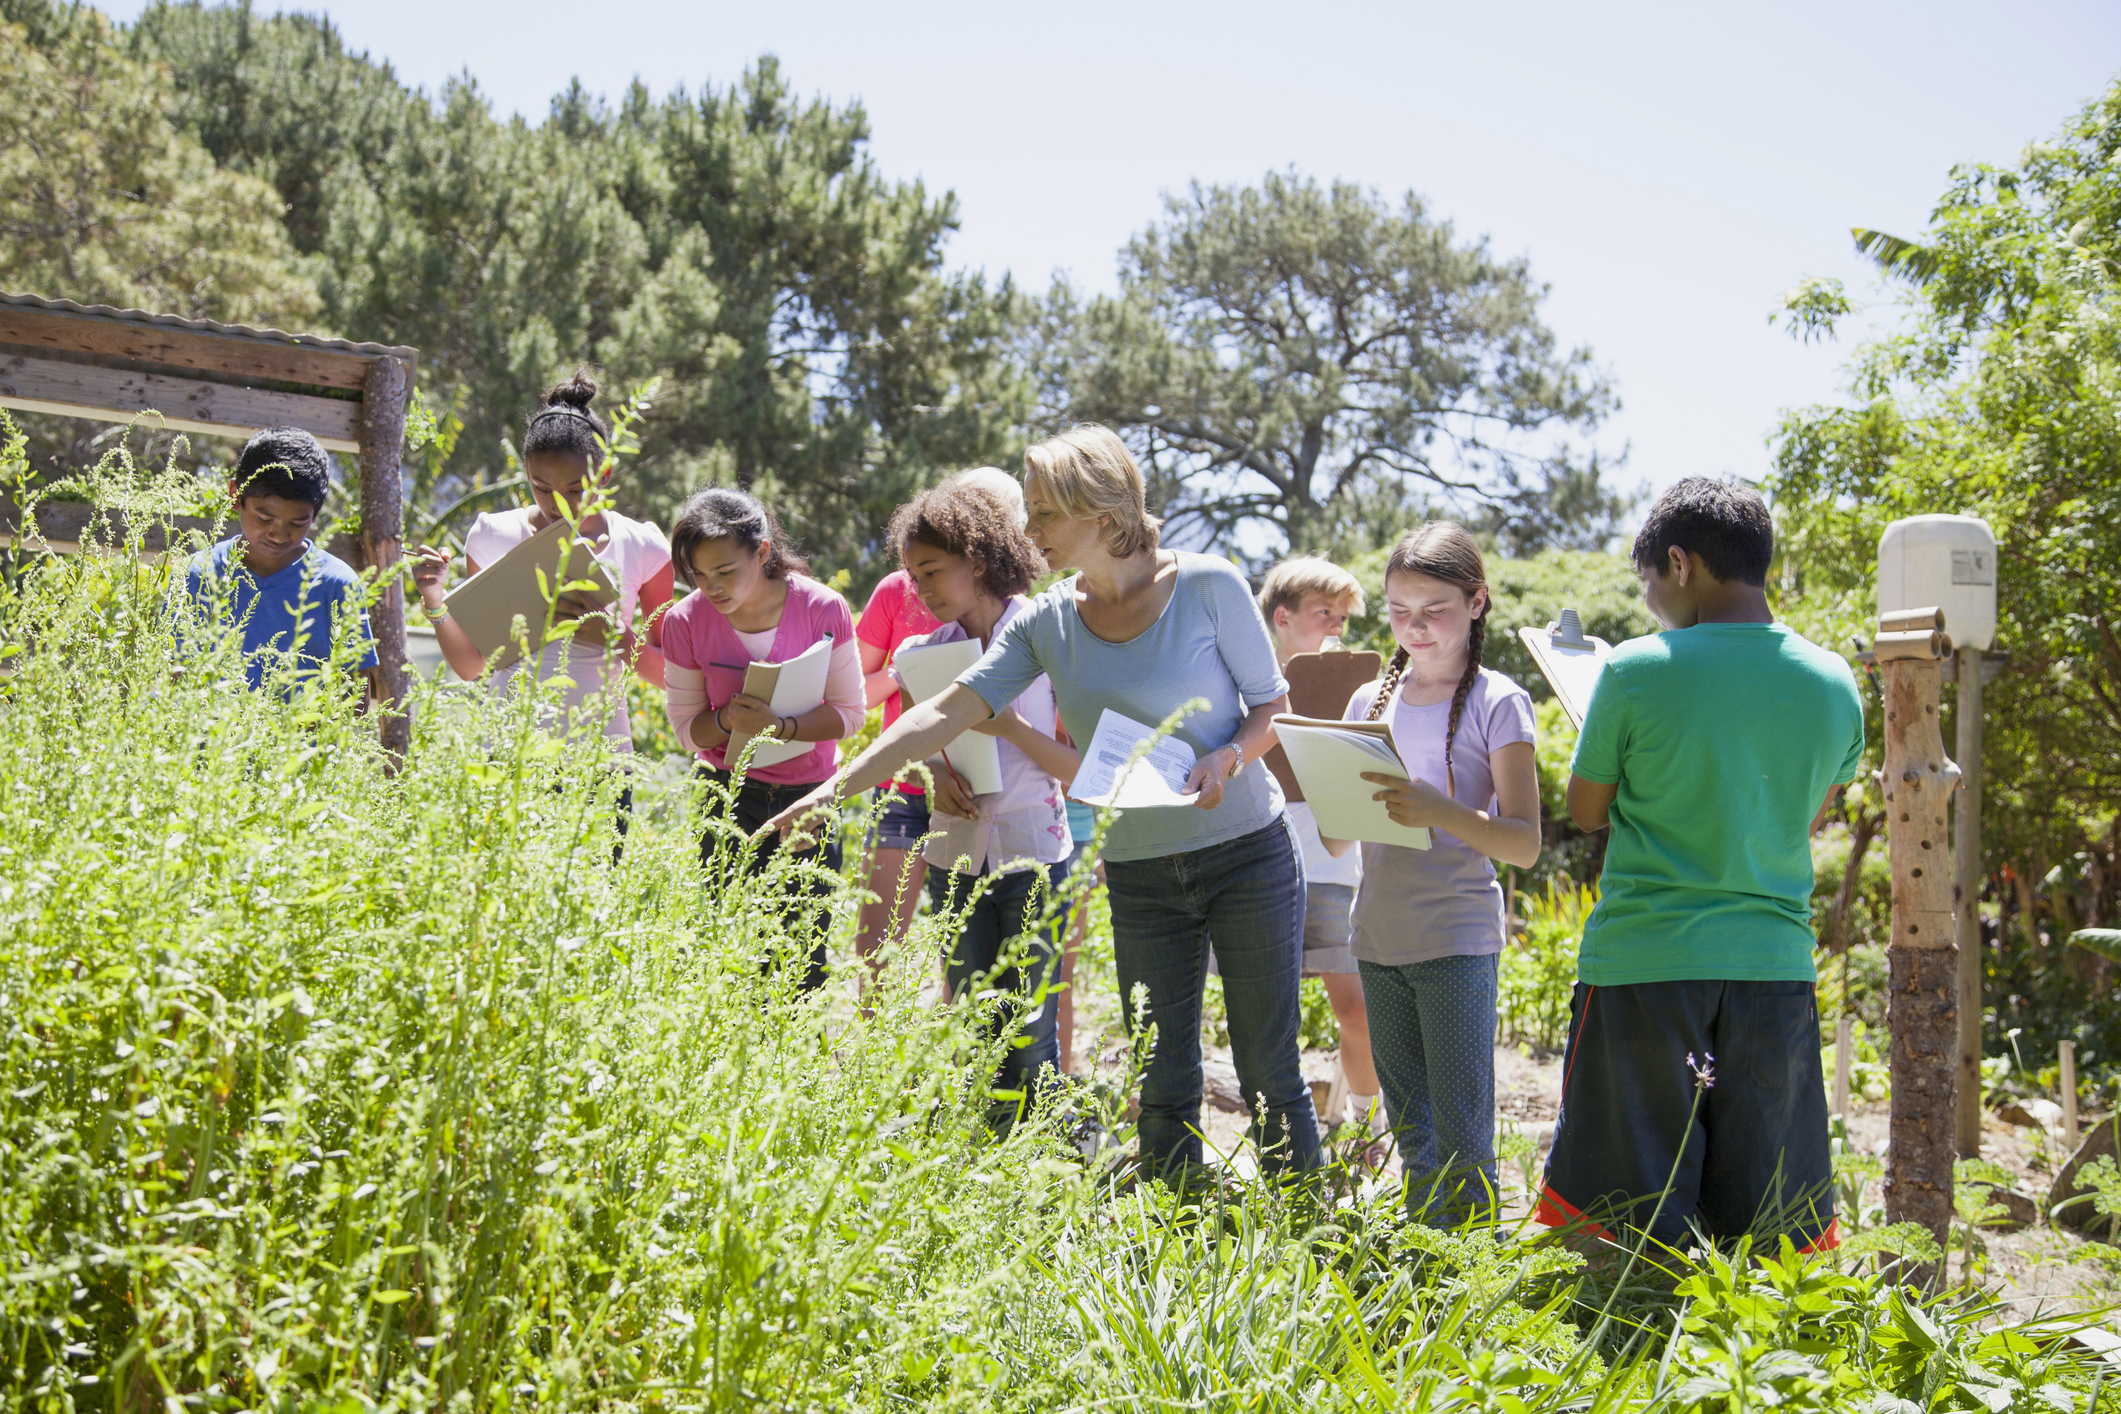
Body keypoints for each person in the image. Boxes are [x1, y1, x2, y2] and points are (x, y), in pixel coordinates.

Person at [767, 425, 1319, 1180]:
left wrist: (1228, 755)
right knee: (1160, 1077)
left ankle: (1301, 1232)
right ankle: (1176, 1227)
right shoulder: (1045, 620)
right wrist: (830, 792)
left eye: (1042, 514)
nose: (1026, 533)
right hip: (1138, 870)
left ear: (1099, 511)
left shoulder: (1208, 584)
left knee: (1267, 1067)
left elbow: (1272, 706)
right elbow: (941, 712)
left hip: (1245, 852)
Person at [1539, 478, 1861, 1253]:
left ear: (1678, 564)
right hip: (1772, 968)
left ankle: (1618, 1352)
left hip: (1645, 964)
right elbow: (1809, 814)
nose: (1650, 600)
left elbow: (1588, 811)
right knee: (1768, 1217)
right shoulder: (1832, 680)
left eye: (1648, 581)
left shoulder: (1633, 671)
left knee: (1619, 1214)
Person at [1317, 524, 1541, 1222]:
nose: (1413, 628)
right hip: (1377, 938)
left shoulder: (1497, 701)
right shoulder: (1368, 702)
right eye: (1397, 611)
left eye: (1433, 610)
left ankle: (1470, 1284)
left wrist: (1441, 809)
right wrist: (1334, 795)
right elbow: (1333, 840)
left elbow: (1523, 843)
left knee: (1462, 1135)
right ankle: (1425, 1269)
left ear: (1476, 603)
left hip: (1455, 941)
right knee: (1411, 1129)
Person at [885, 478, 1079, 1124]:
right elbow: (918, 745)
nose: (923, 590)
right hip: (955, 856)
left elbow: (1076, 767)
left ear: (977, 555)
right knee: (975, 1023)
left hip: (1034, 855)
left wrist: (1009, 727)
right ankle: (989, 1160)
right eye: (913, 577)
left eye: (933, 570)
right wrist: (934, 773)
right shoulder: (922, 656)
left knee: (1029, 1030)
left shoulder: (1048, 631)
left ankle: (1038, 1167)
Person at [662, 488, 864, 992]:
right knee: (732, 949)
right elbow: (688, 731)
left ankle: (792, 1063)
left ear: (763, 552)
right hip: (728, 797)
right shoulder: (684, 621)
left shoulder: (823, 608)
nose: (711, 587)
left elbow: (850, 714)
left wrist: (781, 728)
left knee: (802, 954)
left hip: (809, 798)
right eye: (698, 576)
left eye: (725, 571)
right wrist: (729, 719)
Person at [411, 374, 671, 751]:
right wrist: (435, 598)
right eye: (541, 487)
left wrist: (617, 639)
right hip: (508, 757)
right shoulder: (491, 536)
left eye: (575, 490)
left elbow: (672, 676)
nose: (557, 504)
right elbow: (473, 666)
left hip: (601, 762)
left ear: (605, 474)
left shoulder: (643, 545)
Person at [851, 468, 1029, 985]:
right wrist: (908, 669)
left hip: (994, 792)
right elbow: (861, 692)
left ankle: (954, 1056)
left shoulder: (1022, 613)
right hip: (909, 785)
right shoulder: (898, 590)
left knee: (967, 952)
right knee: (878, 947)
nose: (923, 587)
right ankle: (872, 1056)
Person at [1255, 556, 1385, 1149]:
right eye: (1322, 613)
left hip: (1333, 864)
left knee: (1355, 1007)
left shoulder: (1358, 693)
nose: (1335, 626)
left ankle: (1366, 1127)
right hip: (1256, 861)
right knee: (1264, 1014)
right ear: (1283, 617)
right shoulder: (1242, 680)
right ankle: (1278, 1137)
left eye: (1341, 616)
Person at [174, 427, 379, 693]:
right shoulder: (197, 573)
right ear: (236, 496)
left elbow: (354, 694)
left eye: (297, 522)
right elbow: (171, 674)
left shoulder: (337, 584)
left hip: (300, 736)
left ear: (316, 515)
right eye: (265, 519)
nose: (278, 534)